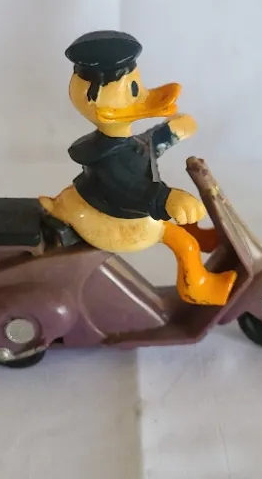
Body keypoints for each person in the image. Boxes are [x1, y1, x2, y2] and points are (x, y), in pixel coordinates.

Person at [40, 30, 237, 305]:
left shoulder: (118, 146)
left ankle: (201, 238)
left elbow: (145, 147)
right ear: (99, 105)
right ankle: (198, 289)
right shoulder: (110, 159)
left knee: (182, 216)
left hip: (94, 204)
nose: (144, 96)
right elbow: (132, 191)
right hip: (115, 221)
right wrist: (165, 199)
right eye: (134, 91)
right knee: (183, 242)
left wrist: (171, 133)